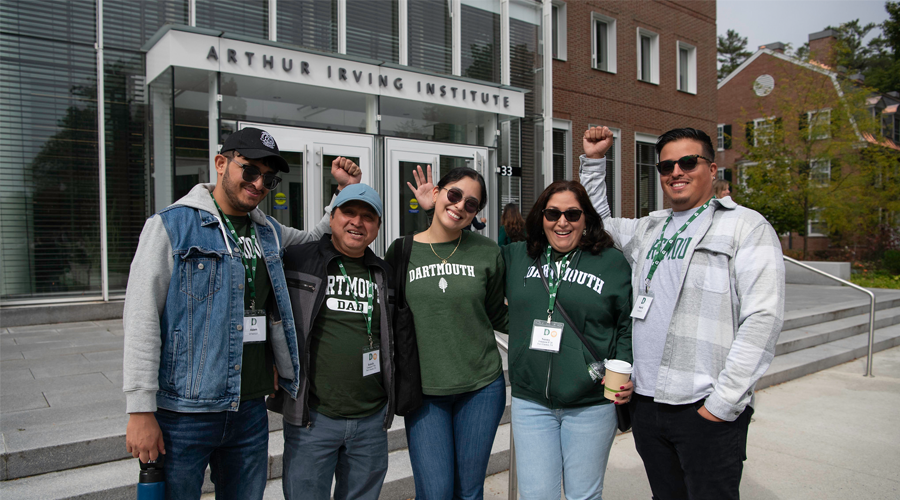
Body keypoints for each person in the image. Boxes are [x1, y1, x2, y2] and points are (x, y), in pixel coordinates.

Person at [122, 127, 361, 499]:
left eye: (269, 178)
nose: (259, 183)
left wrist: (344, 193)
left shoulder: (267, 232)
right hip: (186, 411)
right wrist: (140, 410)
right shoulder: (171, 226)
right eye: (249, 170)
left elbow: (316, 238)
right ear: (221, 164)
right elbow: (141, 319)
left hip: (249, 408)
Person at [579, 126, 785, 500]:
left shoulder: (745, 226)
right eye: (666, 165)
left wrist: (722, 404)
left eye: (688, 162)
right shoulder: (649, 228)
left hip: (704, 406)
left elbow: (763, 319)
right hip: (646, 403)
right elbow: (596, 224)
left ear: (711, 167)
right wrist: (594, 162)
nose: (676, 171)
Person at [501, 181, 633, 500]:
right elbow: (470, 263)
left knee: (583, 496)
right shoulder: (516, 256)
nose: (562, 222)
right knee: (535, 496)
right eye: (553, 213)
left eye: (572, 214)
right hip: (531, 401)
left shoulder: (611, 262)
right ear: (541, 217)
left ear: (586, 218)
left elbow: (627, 324)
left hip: (590, 402)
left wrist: (626, 372)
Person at [387, 167, 508, 500]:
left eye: (471, 204)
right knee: (435, 492)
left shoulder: (488, 252)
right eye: (454, 194)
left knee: (469, 492)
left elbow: (498, 314)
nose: (460, 206)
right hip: (424, 391)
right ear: (437, 193)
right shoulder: (400, 251)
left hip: (481, 387)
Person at [271, 184, 395, 500]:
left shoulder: (384, 273)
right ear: (333, 216)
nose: (358, 222)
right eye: (349, 212)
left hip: (370, 420)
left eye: (368, 217)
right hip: (313, 418)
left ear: (378, 227)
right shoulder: (297, 259)